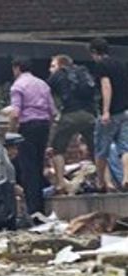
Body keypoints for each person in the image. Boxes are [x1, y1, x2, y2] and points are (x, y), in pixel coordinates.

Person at [8, 57, 56, 216]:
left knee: (28, 169)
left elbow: (15, 114)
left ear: (17, 68)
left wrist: (11, 134)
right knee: (38, 165)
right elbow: (52, 111)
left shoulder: (17, 86)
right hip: (43, 126)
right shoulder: (43, 84)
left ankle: (33, 210)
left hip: (27, 127)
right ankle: (41, 206)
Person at [47, 54, 97, 194]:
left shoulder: (58, 75)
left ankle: (60, 184)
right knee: (97, 150)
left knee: (57, 149)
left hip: (70, 115)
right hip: (90, 115)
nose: (50, 69)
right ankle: (105, 181)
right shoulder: (83, 73)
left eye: (53, 66)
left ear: (61, 65)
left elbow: (45, 92)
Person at [89, 38, 128, 191]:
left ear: (94, 52)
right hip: (124, 112)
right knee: (125, 148)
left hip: (111, 114)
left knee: (101, 149)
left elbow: (106, 86)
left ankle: (102, 182)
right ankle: (126, 177)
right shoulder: (120, 64)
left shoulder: (101, 66)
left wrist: (106, 110)